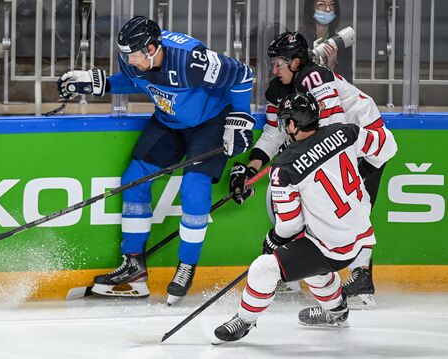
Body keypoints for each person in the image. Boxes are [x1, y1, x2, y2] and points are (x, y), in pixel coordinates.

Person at [56, 16, 255, 305]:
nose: (129, 60)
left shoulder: (191, 60)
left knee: (193, 189)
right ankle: (134, 267)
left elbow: (243, 74)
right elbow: (133, 79)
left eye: (134, 55)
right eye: (126, 55)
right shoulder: (134, 59)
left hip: (210, 123)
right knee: (134, 181)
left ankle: (186, 265)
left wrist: (241, 117)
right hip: (169, 122)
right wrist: (101, 84)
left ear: (151, 48)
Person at [229, 31, 397, 309]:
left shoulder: (314, 78)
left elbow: (333, 131)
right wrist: (250, 169)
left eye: (278, 63)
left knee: (350, 206)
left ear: (296, 62)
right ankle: (304, 272)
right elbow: (274, 134)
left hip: (366, 143)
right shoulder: (280, 89)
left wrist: (293, 154)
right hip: (340, 145)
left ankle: (361, 279)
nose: (273, 68)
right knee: (314, 207)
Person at [213, 92, 396, 344]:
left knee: (264, 268)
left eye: (285, 121)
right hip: (361, 238)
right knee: (308, 260)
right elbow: (388, 146)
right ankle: (337, 311)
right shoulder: (346, 132)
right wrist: (365, 170)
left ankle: (244, 320)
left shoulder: (283, 169)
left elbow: (290, 225)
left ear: (292, 124)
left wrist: (273, 239)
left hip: (330, 246)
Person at [301, 0, 353, 81]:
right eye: (321, 4)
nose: (328, 9)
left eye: (331, 4)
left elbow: (348, 82)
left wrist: (331, 67)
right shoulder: (300, 41)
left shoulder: (342, 42)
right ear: (311, 8)